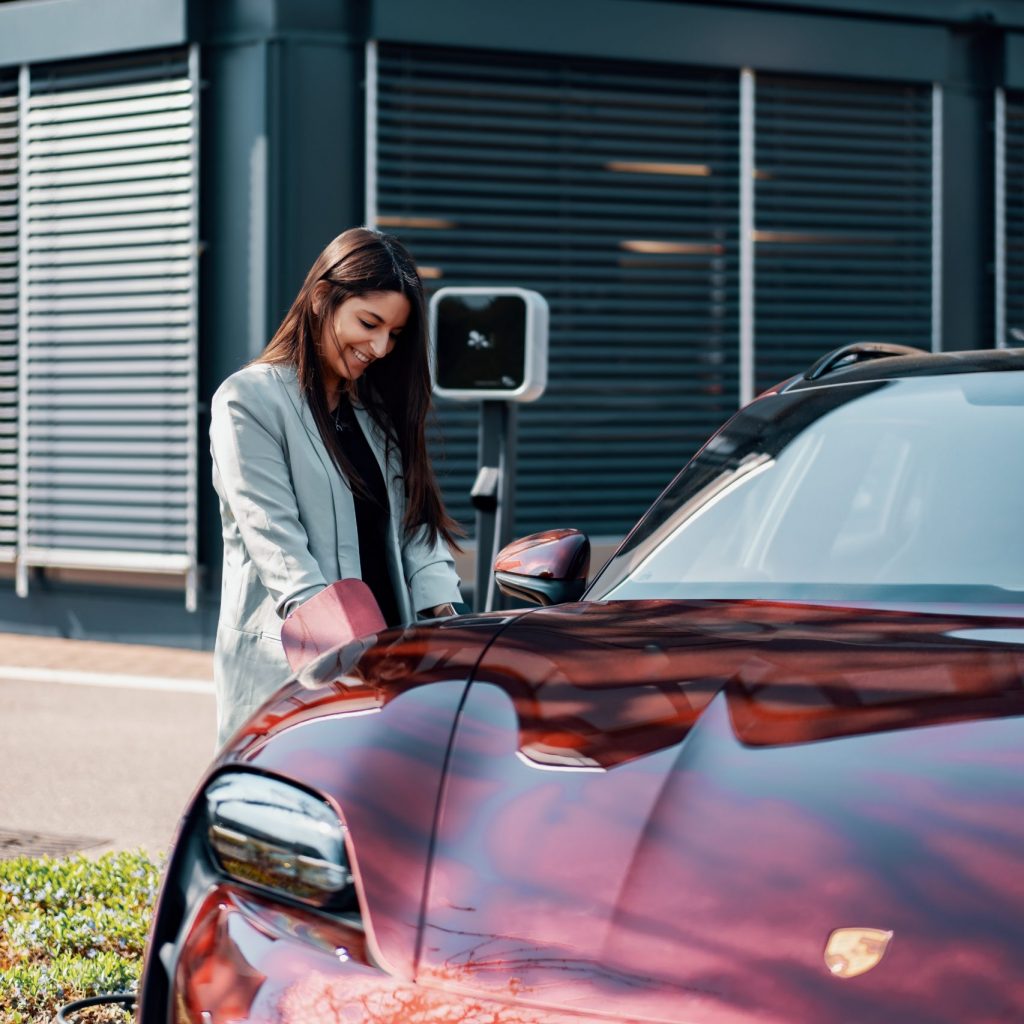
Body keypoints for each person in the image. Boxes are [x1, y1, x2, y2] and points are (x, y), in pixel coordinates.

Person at [209, 227, 464, 743]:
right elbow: (275, 543)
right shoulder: (248, 400)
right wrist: (341, 656)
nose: (379, 346)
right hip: (298, 670)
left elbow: (416, 526)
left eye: (393, 334)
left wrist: (447, 625)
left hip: (390, 669)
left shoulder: (373, 411)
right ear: (324, 298)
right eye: (369, 323)